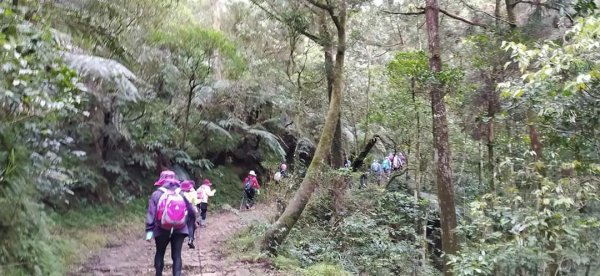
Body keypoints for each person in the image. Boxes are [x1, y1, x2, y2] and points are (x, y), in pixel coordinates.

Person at [145, 174, 197, 276]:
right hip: (180, 228)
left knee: (160, 253)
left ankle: (159, 274)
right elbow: (191, 211)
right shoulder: (181, 193)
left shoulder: (156, 194)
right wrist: (192, 222)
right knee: (177, 255)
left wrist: (149, 231)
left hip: (161, 229)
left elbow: (151, 214)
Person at [180, 180, 200, 249]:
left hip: (182, 211)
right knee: (191, 225)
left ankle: (179, 240)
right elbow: (194, 202)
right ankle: (190, 239)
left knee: (182, 225)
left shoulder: (181, 193)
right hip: (191, 211)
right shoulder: (194, 192)